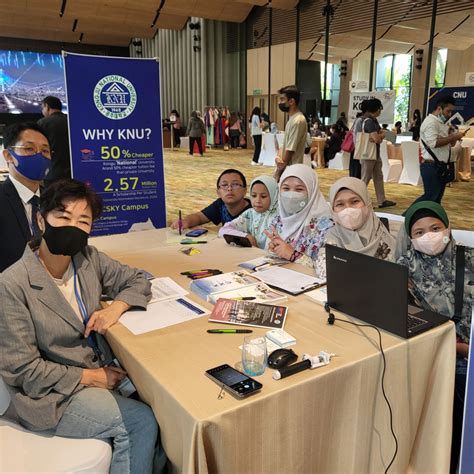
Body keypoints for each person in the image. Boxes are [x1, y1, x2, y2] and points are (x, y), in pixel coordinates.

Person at [0, 179, 167, 473]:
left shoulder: (87, 259)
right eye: (63, 217)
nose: (72, 228)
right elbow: (23, 370)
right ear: (41, 219)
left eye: (83, 221)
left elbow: (139, 279)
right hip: (53, 396)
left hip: (102, 369)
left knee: (166, 409)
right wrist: (89, 377)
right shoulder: (12, 284)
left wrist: (117, 306)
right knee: (141, 423)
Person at [394, 201, 472, 473]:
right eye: (419, 232)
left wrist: (463, 349)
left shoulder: (470, 258)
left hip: (465, 359)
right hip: (430, 357)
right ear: (410, 238)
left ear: (448, 228)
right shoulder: (403, 268)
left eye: (435, 228)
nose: (428, 236)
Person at [264, 164, 333, 276]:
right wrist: (274, 249)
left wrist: (294, 255)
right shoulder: (278, 219)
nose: (291, 195)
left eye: (299, 189)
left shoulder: (325, 227)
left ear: (312, 191)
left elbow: (327, 272)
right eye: (286, 188)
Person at [0, 122, 52, 272]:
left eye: (45, 150)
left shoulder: (56, 198)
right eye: (29, 149)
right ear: (9, 155)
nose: (39, 156)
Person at [325, 177, 395, 261]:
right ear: (333, 210)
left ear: (367, 203)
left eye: (354, 201)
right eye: (340, 204)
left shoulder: (382, 236)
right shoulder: (329, 240)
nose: (348, 209)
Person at [414, 95, 466, 204]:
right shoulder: (431, 122)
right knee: (430, 197)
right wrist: (453, 137)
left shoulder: (441, 123)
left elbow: (449, 144)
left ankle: (428, 219)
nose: (449, 115)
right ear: (439, 108)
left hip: (439, 166)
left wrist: (454, 136)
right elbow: (433, 143)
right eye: (448, 111)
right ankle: (407, 216)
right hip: (431, 166)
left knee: (435, 199)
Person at [170, 169, 251, 229]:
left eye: (235, 184)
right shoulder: (220, 204)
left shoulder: (253, 210)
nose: (229, 188)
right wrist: (185, 221)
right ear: (218, 192)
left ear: (245, 190)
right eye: (225, 185)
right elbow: (199, 217)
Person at [218, 175, 278, 249]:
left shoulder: (280, 218)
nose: (257, 200)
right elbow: (223, 230)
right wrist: (246, 237)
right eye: (254, 195)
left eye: (263, 196)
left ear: (274, 196)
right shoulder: (250, 214)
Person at [357, 98, 396, 208]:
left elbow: (378, 134)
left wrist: (379, 135)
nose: (380, 111)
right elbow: (377, 138)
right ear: (375, 109)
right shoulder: (368, 121)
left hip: (373, 153)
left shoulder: (372, 120)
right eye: (380, 108)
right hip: (368, 154)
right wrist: (383, 135)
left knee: (378, 176)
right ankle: (359, 200)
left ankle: (381, 200)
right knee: (366, 178)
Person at [274, 85, 308, 181]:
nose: (279, 102)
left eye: (282, 99)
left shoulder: (298, 120)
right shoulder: (292, 119)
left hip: (291, 169)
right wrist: (278, 157)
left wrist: (279, 170)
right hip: (287, 168)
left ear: (291, 101)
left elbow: (291, 148)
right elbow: (285, 144)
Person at [38, 96, 71, 185]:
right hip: (72, 172)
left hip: (52, 173)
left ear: (47, 107)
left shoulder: (43, 123)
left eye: (43, 108)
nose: (42, 111)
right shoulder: (71, 120)